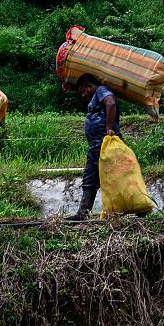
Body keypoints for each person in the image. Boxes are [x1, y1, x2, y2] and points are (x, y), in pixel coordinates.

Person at [65, 73, 122, 221]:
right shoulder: (95, 95)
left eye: (83, 91)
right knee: (90, 177)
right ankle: (83, 212)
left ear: (90, 86)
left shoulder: (101, 90)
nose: (82, 95)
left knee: (113, 176)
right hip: (96, 146)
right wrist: (71, 86)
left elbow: (111, 103)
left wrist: (109, 127)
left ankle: (122, 210)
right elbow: (86, 90)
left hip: (105, 143)